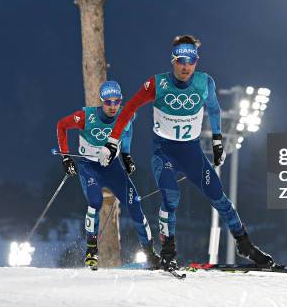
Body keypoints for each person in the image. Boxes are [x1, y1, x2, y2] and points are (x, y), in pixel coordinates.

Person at [97, 35, 274, 270]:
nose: (186, 67)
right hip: (165, 152)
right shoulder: (157, 84)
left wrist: (218, 141)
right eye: (181, 61)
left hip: (192, 153)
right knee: (171, 199)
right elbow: (128, 109)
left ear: (196, 62)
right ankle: (168, 251)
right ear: (173, 60)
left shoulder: (205, 82)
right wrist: (112, 142)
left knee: (219, 198)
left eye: (191, 62)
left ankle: (244, 243)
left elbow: (213, 108)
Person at [56, 80, 160, 270]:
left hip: (112, 168)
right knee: (95, 202)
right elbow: (61, 126)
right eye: (108, 102)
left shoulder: (126, 115)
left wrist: (127, 156)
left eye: (116, 101)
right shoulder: (86, 116)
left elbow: (127, 132)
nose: (112, 106)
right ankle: (91, 252)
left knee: (135, 205)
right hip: (90, 167)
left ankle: (150, 253)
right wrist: (66, 158)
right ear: (101, 101)